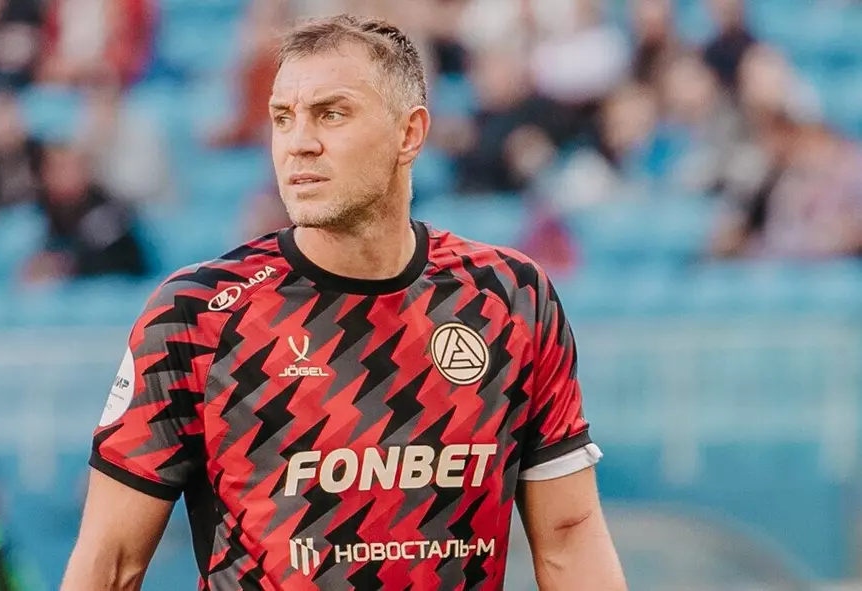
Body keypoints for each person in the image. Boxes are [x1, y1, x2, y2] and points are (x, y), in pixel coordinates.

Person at [62, 14, 626, 590]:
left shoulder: (510, 300)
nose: (299, 142)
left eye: (331, 113)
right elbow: (110, 562)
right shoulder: (198, 315)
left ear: (409, 134)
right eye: (283, 118)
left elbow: (570, 535)